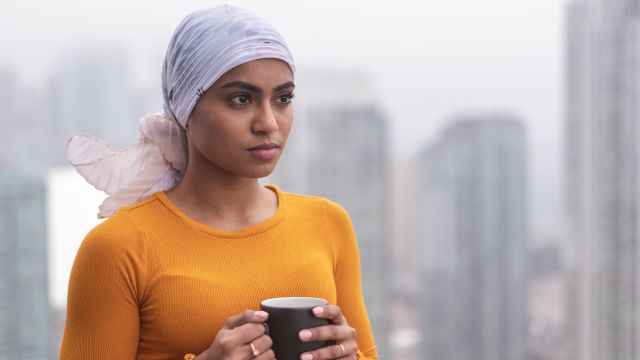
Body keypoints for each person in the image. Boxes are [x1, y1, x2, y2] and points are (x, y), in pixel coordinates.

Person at [60, 4, 378, 360]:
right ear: (185, 108)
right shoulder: (118, 248)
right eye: (240, 99)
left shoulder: (328, 224)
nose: (269, 123)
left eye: (283, 98)